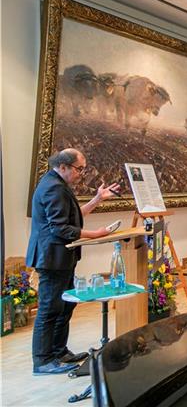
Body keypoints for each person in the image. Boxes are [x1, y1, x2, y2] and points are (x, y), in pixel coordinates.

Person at [27, 149, 119, 374]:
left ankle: (59, 351)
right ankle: (43, 361)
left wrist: (97, 199)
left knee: (66, 304)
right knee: (50, 308)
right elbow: (61, 228)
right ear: (64, 166)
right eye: (79, 169)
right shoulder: (53, 188)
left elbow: (74, 216)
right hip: (51, 258)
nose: (82, 174)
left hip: (62, 258)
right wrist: (95, 234)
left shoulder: (58, 185)